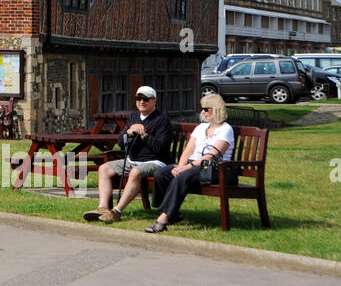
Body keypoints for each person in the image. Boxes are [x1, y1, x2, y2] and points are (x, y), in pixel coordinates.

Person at [83, 86, 174, 224]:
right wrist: (129, 132)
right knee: (104, 169)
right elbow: (121, 143)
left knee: (135, 172)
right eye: (139, 98)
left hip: (156, 162)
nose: (141, 102)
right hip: (133, 160)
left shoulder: (162, 120)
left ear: (154, 101)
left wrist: (143, 135)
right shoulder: (133, 117)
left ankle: (117, 211)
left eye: (146, 99)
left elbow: (160, 148)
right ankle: (102, 208)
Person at [146, 93, 235, 233]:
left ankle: (163, 218)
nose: (203, 112)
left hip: (218, 169)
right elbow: (188, 151)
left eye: (206, 109)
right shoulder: (201, 128)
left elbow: (211, 156)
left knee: (183, 177)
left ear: (216, 109)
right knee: (162, 173)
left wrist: (186, 168)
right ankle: (170, 212)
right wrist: (180, 166)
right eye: (202, 109)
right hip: (196, 166)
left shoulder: (226, 129)